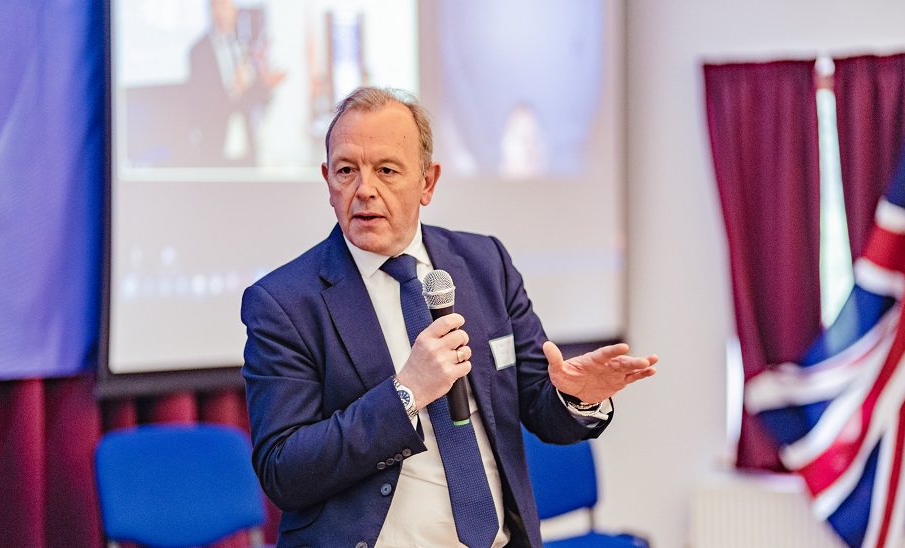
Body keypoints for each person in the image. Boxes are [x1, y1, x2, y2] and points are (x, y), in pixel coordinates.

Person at [241, 86, 658, 547]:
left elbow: (540, 406)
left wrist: (575, 396)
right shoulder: (283, 302)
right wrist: (406, 393)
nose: (364, 189)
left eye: (386, 170)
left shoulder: (485, 264)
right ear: (327, 180)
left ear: (428, 182)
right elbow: (283, 470)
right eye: (346, 170)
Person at [185, 0, 285, 166]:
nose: (222, 13)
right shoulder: (198, 51)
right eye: (217, 7)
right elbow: (201, 103)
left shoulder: (242, 45)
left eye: (227, 7)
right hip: (215, 146)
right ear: (210, 10)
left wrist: (266, 86)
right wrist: (234, 88)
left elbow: (251, 95)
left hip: (246, 145)